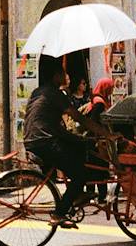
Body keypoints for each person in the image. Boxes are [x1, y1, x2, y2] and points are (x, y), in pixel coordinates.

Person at [24, 57, 117, 228]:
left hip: (34, 139)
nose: (66, 76)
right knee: (80, 174)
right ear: (55, 75)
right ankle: (60, 213)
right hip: (46, 141)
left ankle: (78, 194)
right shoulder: (54, 94)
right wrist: (107, 135)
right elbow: (81, 119)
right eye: (62, 72)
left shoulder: (39, 91)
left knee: (81, 146)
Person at [83, 78, 114, 202]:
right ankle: (101, 196)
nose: (112, 90)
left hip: (92, 140)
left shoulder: (96, 99)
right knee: (100, 168)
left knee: (92, 167)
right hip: (96, 141)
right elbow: (94, 121)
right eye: (110, 87)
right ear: (105, 87)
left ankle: (91, 193)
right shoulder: (100, 103)